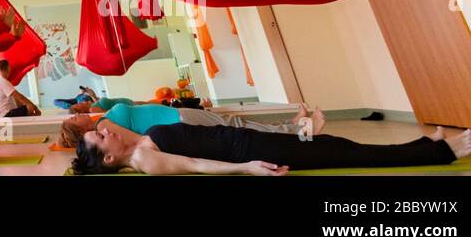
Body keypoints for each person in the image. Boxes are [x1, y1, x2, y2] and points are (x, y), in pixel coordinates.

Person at [72, 119, 471, 175]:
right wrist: (247, 167)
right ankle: (442, 152)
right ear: (109, 155)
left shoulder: (139, 141)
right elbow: (196, 164)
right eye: (100, 137)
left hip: (246, 136)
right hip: (249, 151)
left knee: (333, 142)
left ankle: (423, 142)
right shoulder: (145, 159)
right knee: (345, 153)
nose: (103, 129)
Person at [59, 102, 322, 148]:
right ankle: (301, 131)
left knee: (237, 123)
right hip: (179, 121)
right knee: (237, 125)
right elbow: (137, 139)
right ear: (80, 130)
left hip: (177, 117)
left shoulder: (103, 119)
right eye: (73, 118)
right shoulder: (105, 124)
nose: (76, 114)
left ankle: (292, 125)